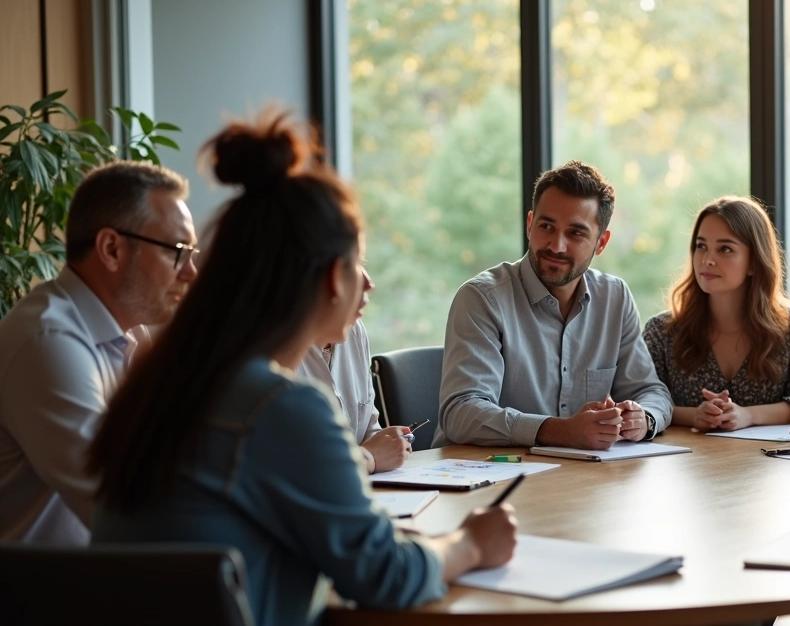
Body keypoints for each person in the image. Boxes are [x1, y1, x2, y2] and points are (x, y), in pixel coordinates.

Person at [88, 113, 516, 625]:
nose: (369, 284)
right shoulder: (278, 405)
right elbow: (385, 577)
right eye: (357, 261)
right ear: (334, 278)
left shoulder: (165, 381)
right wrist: (469, 543)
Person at [0, 161, 197, 545]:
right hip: (33, 600)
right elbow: (121, 505)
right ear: (111, 249)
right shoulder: (47, 341)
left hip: (91, 586)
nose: (190, 272)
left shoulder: (131, 335)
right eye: (177, 251)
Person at [434, 160, 673, 448]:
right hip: (483, 479)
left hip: (575, 478)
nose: (556, 246)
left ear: (601, 242)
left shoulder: (615, 298)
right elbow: (461, 413)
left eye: (576, 233)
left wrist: (643, 418)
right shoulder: (483, 298)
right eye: (546, 226)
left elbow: (650, 390)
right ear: (529, 224)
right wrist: (561, 431)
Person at [643, 196, 790, 431]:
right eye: (701, 246)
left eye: (725, 249)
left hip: (770, 465)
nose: (708, 260)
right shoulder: (662, 331)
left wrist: (748, 416)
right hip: (686, 463)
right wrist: (695, 416)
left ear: (754, 262)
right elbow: (641, 401)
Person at [298, 319, 415, 474]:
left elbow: (367, 430)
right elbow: (297, 466)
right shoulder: (274, 347)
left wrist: (387, 444)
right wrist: (370, 458)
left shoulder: (354, 329)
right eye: (358, 292)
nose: (366, 297)